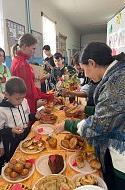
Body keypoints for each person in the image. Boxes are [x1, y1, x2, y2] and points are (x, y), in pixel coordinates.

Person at [54, 42, 125, 190]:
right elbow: (115, 112)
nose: (85, 74)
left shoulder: (116, 82)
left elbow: (100, 123)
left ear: (92, 63)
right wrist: (88, 109)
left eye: (85, 69)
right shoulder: (117, 74)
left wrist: (68, 124)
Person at [0, 77, 41, 161]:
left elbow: (27, 116)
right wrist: (11, 130)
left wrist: (35, 116)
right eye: (17, 98)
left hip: (26, 135)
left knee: (29, 156)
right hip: (12, 142)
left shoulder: (24, 101)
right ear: (7, 95)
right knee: (16, 161)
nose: (20, 101)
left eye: (23, 97)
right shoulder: (1, 110)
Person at [10, 33, 54, 113]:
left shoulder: (16, 60)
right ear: (25, 46)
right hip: (27, 102)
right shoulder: (23, 65)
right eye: (33, 49)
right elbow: (30, 92)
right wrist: (49, 97)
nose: (34, 52)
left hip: (21, 101)